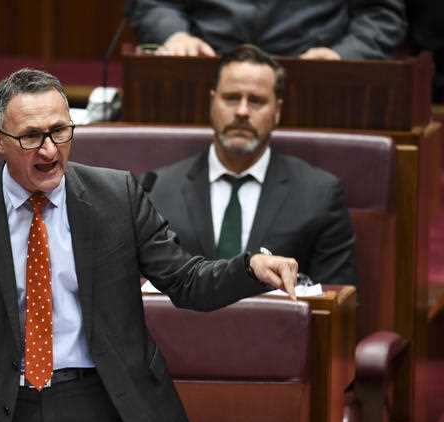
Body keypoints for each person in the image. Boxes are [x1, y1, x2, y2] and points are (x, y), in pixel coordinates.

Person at [0, 68, 298, 422]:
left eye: (61, 130)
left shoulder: (118, 197)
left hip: (94, 399)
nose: (49, 150)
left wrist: (249, 269)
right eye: (31, 137)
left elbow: (186, 280)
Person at [147, 45, 357, 285]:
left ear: (277, 111)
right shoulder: (159, 190)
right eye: (231, 98)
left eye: (256, 101)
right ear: (212, 102)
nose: (242, 111)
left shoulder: (319, 194)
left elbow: (335, 299)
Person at [126, 0, 406, 60]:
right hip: (206, 68)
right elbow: (153, 4)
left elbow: (381, 15)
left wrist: (341, 55)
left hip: (311, 78)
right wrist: (175, 35)